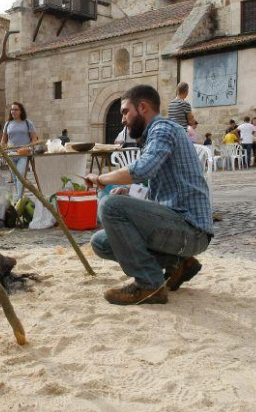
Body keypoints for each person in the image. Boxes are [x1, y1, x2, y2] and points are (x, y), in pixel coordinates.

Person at [84, 85, 213, 306]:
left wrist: (100, 179)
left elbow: (142, 170)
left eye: (125, 111)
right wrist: (129, 191)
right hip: (180, 227)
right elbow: (158, 189)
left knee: (110, 206)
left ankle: (150, 284)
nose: (123, 118)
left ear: (142, 107)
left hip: (191, 229)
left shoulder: (162, 129)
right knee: (101, 242)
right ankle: (178, 264)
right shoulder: (156, 134)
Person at [1, 102, 37, 198]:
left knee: (21, 175)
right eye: (12, 109)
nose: (13, 111)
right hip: (11, 153)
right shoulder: (8, 124)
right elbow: (3, 140)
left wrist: (28, 148)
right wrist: (2, 152)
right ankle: (19, 198)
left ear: (21, 111)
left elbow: (34, 139)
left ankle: (18, 198)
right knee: (15, 177)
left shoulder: (28, 123)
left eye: (16, 109)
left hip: (24, 154)